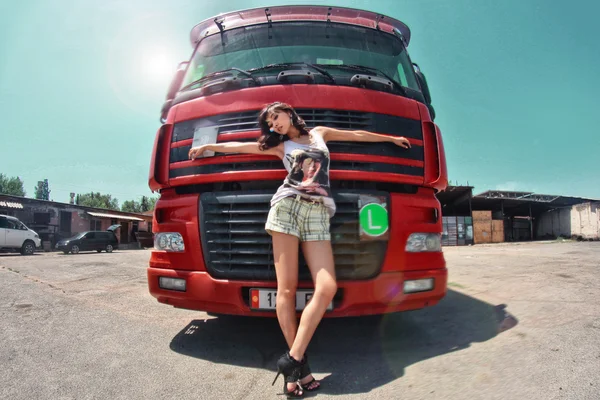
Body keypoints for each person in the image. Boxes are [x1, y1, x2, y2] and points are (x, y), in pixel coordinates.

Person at [189, 102, 411, 398]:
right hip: (287, 208)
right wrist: (211, 148)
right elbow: (242, 147)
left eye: (275, 117)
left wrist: (390, 139)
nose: (273, 125)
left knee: (327, 286)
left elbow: (356, 134)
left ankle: (290, 359)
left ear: (288, 112)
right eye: (268, 123)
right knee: (286, 290)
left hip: (318, 213)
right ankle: (300, 371)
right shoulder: (282, 146)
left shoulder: (320, 133)